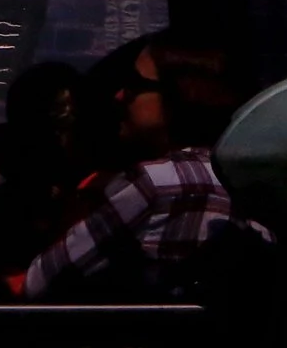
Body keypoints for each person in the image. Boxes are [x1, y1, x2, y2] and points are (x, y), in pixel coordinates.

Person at [13, 32, 243, 303]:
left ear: (179, 93)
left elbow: (41, 280)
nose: (120, 95)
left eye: (135, 85)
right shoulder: (237, 176)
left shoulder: (155, 183)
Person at [0, 61, 86, 278]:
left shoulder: (97, 193)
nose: (64, 140)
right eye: (56, 128)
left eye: (70, 128)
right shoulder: (6, 205)